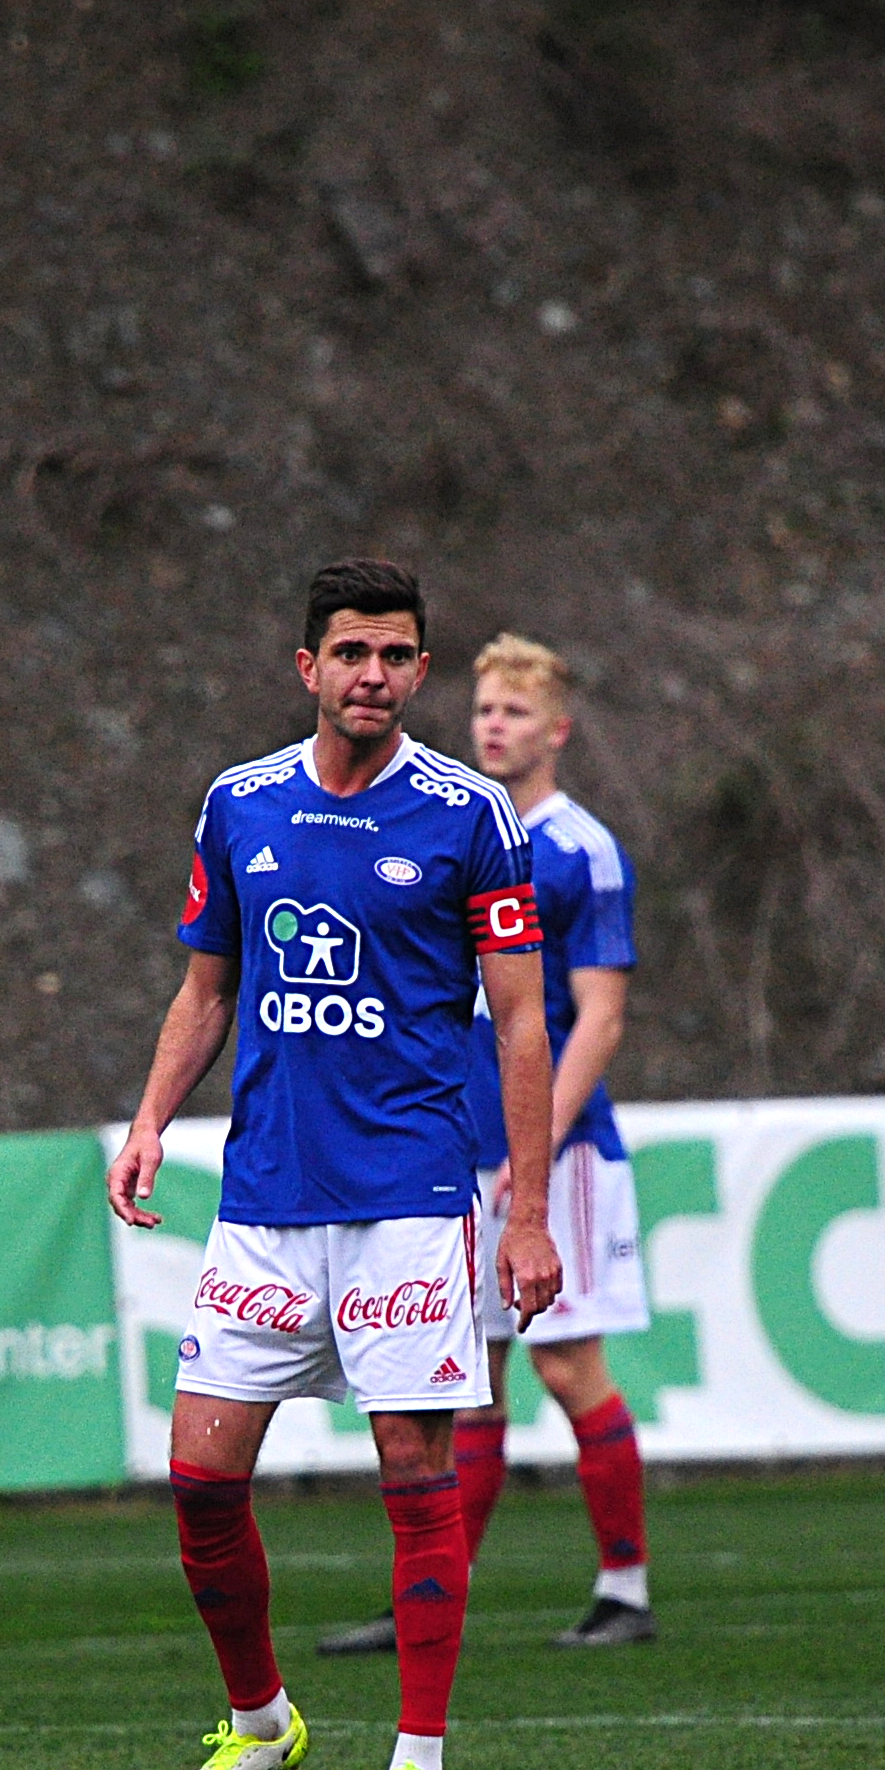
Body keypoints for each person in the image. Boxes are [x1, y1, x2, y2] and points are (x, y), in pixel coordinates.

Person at [109, 558, 561, 1770]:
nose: (374, 674)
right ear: (307, 667)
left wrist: (524, 1212)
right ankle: (261, 1723)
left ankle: (417, 1756)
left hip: (409, 1195)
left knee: (412, 1477)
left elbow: (519, 1029)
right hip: (262, 1196)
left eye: (398, 655)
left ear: (422, 671)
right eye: (351, 653)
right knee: (200, 1481)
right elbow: (206, 991)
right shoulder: (239, 803)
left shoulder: (473, 816)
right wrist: (151, 1121)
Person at [318, 633, 657, 1658]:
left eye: (513, 713)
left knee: (568, 1368)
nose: (493, 727)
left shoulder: (580, 849)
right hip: (452, 1150)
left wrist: (537, 1146)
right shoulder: (452, 831)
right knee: (466, 1380)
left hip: (559, 1153)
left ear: (555, 730)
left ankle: (625, 1588)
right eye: (483, 712)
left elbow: (597, 1016)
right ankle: (434, 1590)